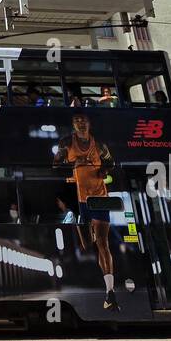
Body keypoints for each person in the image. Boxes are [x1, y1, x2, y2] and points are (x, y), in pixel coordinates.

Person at [53, 111, 119, 310]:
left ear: (89, 123)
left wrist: (102, 171)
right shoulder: (66, 143)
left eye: (83, 121)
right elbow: (55, 166)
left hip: (99, 197)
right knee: (87, 244)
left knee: (102, 242)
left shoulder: (99, 145)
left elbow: (111, 164)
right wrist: (74, 164)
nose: (80, 124)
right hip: (80, 198)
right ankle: (94, 282)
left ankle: (110, 292)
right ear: (73, 125)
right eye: (77, 121)